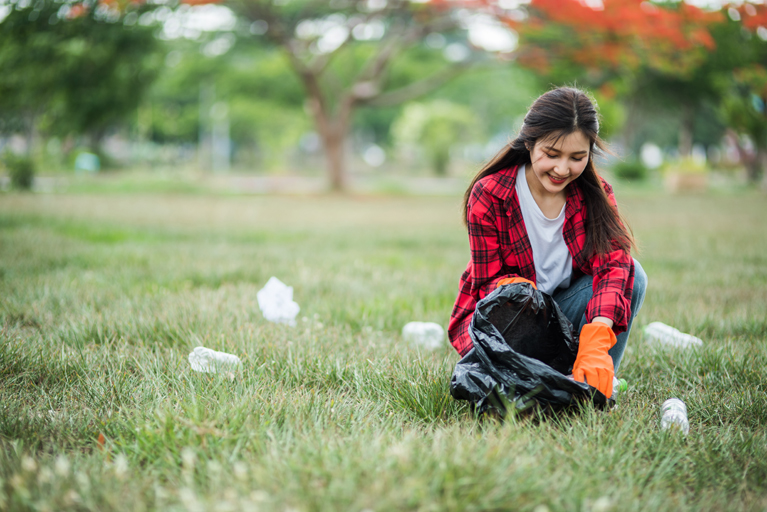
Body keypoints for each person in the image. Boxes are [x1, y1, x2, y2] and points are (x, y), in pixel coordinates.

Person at [448, 87, 647, 399]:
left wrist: (596, 341)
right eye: (551, 155)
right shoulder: (490, 194)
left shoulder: (595, 196)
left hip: (564, 311)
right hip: (511, 317)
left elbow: (613, 266)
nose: (562, 169)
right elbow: (489, 283)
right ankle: (554, 376)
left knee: (633, 275)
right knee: (511, 388)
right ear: (529, 143)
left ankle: (594, 382)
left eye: (577, 157)